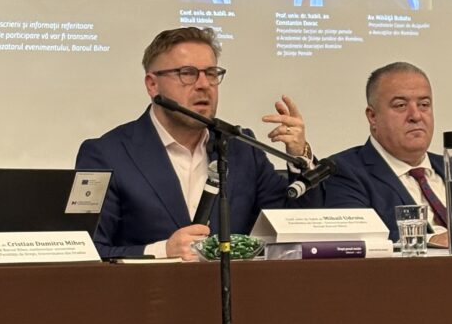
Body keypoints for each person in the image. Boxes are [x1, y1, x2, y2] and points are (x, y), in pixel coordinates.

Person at [74, 26, 317, 260]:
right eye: (187, 73)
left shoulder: (242, 149)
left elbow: (292, 233)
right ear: (152, 84)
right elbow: (86, 250)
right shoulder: (106, 155)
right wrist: (162, 251)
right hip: (148, 288)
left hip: (233, 288)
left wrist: (299, 155)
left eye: (211, 73)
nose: (204, 85)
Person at [323, 62, 452, 252]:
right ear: (373, 116)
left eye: (424, 105)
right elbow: (357, 243)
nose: (416, 115)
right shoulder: (345, 171)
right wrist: (432, 240)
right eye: (401, 105)